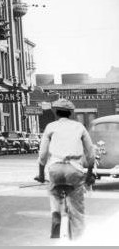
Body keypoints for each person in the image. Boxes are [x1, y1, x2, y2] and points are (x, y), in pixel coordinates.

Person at [34, 98, 96, 239]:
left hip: (55, 168)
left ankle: (56, 214)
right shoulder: (79, 127)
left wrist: (41, 174)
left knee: (53, 190)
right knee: (77, 211)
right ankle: (79, 239)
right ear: (71, 113)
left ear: (56, 112)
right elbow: (90, 153)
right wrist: (90, 172)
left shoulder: (50, 127)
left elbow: (42, 154)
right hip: (74, 169)